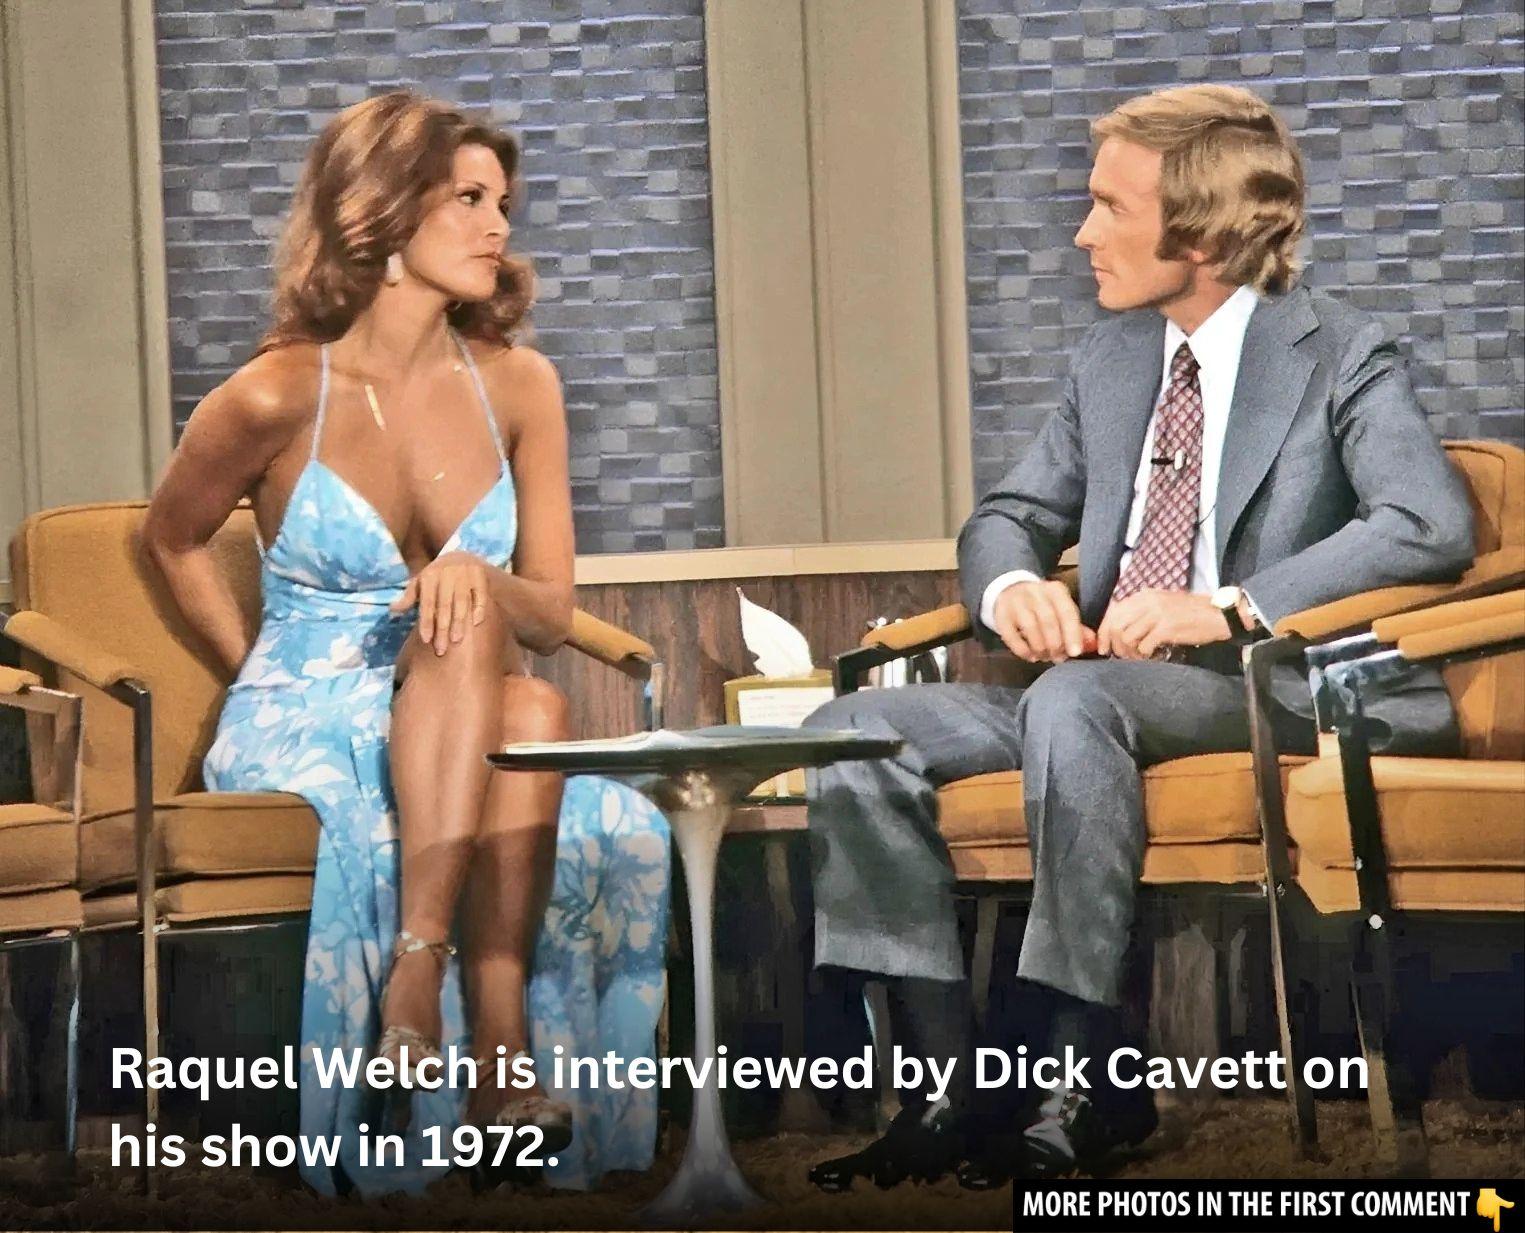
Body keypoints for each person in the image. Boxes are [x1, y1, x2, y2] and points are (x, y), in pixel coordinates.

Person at [803, 83, 1474, 1188]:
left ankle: (1081, 1079)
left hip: (1263, 687)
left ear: (1200, 234)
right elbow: (1009, 515)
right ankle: (944, 1090)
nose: (1081, 233)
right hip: (1103, 688)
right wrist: (1012, 586)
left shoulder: (1341, 350)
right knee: (852, 730)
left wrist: (1229, 604)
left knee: (1077, 700)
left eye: (1107, 207)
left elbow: (1425, 520)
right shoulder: (1111, 360)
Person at [142, 91, 670, 1196]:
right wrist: (253, 667)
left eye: (503, 203)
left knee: (525, 692)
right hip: (307, 708)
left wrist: (478, 575)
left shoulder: (519, 386)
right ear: (382, 209)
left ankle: (454, 1017)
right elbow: (173, 538)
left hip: (460, 692)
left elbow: (549, 612)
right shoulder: (274, 392)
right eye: (468, 199)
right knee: (518, 702)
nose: (498, 226)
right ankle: (465, 1025)